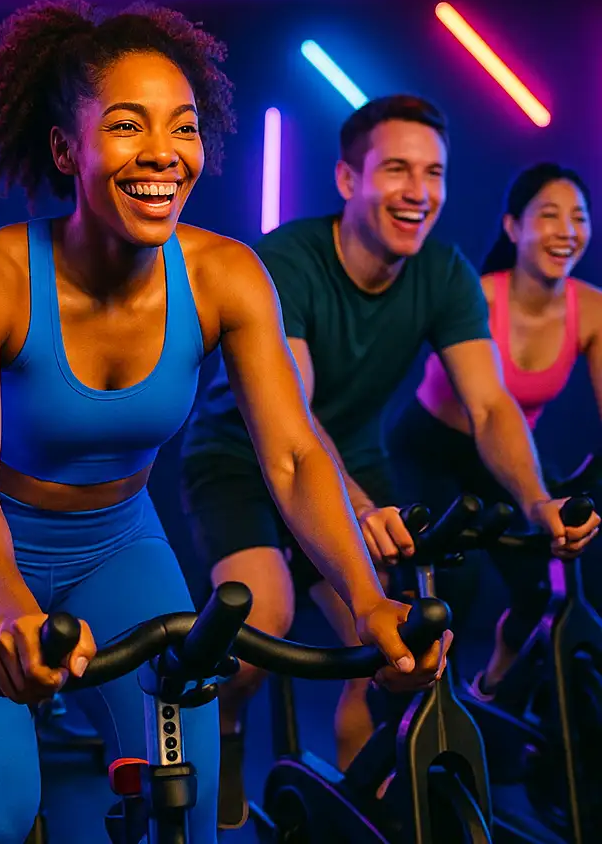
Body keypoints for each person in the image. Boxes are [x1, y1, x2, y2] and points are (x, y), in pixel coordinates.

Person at [0, 1, 448, 844]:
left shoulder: (226, 276)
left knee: (185, 793)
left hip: (118, 543)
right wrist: (10, 613)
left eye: (182, 127)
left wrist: (368, 603)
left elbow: (290, 456)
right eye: (126, 125)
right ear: (67, 149)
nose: (161, 154)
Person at [179, 95, 599, 830]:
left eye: (433, 172)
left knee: (397, 651)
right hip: (238, 457)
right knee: (263, 617)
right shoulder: (288, 260)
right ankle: (229, 729)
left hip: (353, 460)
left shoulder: (442, 273)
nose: (419, 191)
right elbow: (294, 419)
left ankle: (357, 807)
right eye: (397, 169)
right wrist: (362, 510)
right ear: (348, 180)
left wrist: (536, 500)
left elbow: (492, 405)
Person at [389, 161, 602, 699]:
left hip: (506, 456)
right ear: (513, 227)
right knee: (450, 587)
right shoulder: (476, 297)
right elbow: (485, 405)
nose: (567, 231)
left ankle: (495, 681)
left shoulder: (592, 308)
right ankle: (420, 715)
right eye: (549, 215)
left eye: (579, 217)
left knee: (554, 576)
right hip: (431, 449)